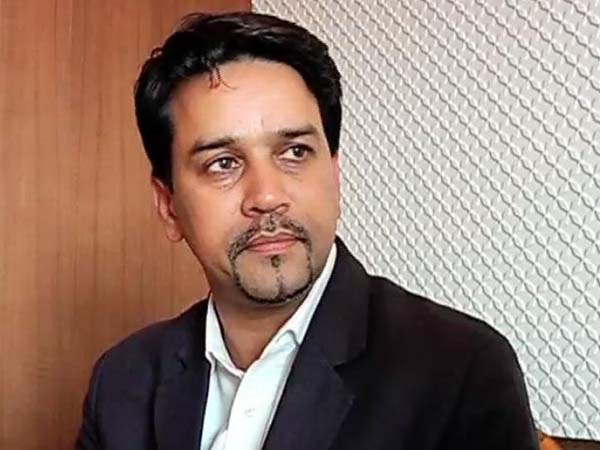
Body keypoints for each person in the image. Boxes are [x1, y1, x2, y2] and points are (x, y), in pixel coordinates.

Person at [76, 11, 539, 450]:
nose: (267, 195)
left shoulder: (457, 371)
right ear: (169, 205)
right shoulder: (123, 382)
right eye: (223, 163)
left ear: (334, 176)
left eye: (295, 152)